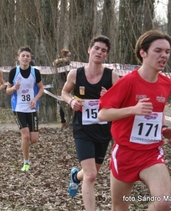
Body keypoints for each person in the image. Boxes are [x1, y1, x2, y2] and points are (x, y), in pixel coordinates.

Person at [97, 30, 171, 211]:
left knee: (163, 202)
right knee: (119, 207)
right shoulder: (128, 82)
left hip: (151, 152)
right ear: (143, 53)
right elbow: (103, 114)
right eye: (158, 50)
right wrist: (133, 110)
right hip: (126, 152)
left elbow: (158, 112)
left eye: (167, 51)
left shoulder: (166, 83)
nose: (164, 55)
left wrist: (164, 127)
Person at [61, 35, 119, 210]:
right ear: (89, 50)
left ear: (106, 56)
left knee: (91, 172)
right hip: (82, 129)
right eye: (96, 48)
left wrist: (108, 98)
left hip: (103, 130)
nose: (99, 52)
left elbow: (120, 102)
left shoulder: (112, 76)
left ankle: (75, 177)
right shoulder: (75, 74)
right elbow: (64, 92)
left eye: (103, 51)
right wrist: (71, 102)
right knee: (92, 175)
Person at [6, 46, 44, 172]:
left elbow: (41, 89)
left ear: (30, 58)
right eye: (23, 56)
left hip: (32, 108)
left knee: (34, 139)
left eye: (28, 56)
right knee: (26, 136)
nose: (25, 58)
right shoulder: (13, 72)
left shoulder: (35, 72)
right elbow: (7, 91)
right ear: (18, 58)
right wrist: (13, 89)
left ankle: (25, 145)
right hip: (18, 107)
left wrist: (35, 99)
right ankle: (26, 162)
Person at [53, 49, 71, 129]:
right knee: (62, 104)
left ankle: (65, 121)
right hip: (62, 85)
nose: (69, 58)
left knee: (65, 104)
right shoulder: (61, 64)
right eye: (68, 56)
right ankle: (63, 121)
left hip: (64, 84)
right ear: (64, 56)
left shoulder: (58, 63)